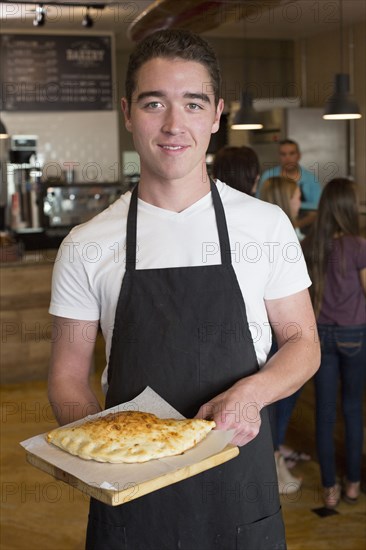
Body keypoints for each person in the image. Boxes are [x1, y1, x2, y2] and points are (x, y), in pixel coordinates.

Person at [48, 29, 320, 550]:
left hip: (240, 486)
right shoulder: (86, 243)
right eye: (155, 104)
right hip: (131, 504)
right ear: (128, 112)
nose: (174, 125)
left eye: (192, 104)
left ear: (216, 114)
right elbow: (66, 377)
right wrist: (106, 450)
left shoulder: (265, 226)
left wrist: (250, 395)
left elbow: (303, 344)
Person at [302, 178, 366, 509]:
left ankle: (330, 490)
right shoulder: (359, 245)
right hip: (355, 334)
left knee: (325, 413)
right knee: (353, 409)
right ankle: (353, 485)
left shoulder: (312, 243)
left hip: (321, 335)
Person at [260, 176, 310, 492]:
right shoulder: (282, 234)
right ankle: (274, 458)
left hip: (282, 331)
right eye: (296, 196)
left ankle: (276, 452)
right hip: (278, 333)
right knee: (281, 397)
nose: (300, 202)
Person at [257, 139, 321, 226]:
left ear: (299, 156)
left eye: (291, 153)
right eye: (283, 154)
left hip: (304, 226)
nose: (287, 158)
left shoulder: (310, 179)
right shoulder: (268, 176)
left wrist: (294, 225)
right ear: (279, 156)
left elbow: (318, 207)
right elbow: (259, 203)